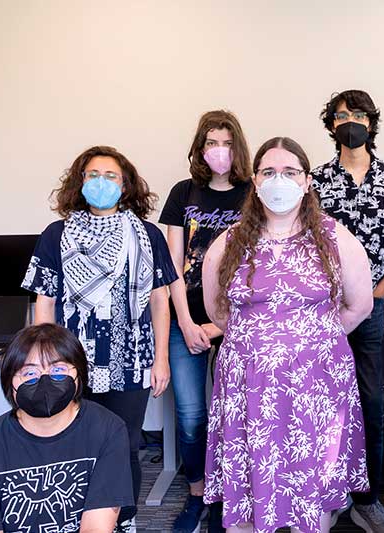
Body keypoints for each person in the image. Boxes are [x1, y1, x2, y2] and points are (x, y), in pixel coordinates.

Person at [202, 136, 373, 533]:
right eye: (269, 172)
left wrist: (309, 341)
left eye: (290, 172)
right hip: (248, 386)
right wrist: (263, 344)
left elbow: (359, 306)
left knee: (311, 499)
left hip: (317, 386)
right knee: (248, 495)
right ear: (255, 181)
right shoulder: (227, 244)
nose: (279, 180)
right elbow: (217, 310)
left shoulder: (336, 239)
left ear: (307, 181)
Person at [22, 145, 178, 532]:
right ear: (80, 181)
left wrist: (161, 358)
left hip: (131, 360)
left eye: (111, 176)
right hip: (71, 362)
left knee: (124, 447)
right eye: (93, 174)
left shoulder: (148, 235)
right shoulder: (56, 235)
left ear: (125, 186)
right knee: (71, 444)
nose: (101, 183)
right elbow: (46, 300)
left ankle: (123, 521)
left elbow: (161, 300)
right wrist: (45, 361)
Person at [311, 89, 384, 532]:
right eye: (341, 115)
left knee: (371, 400)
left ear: (371, 123)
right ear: (331, 125)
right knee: (320, 400)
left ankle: (368, 497)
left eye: (357, 114)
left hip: (372, 308)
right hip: (320, 308)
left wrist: (378, 292)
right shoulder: (314, 181)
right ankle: (323, 493)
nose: (349, 121)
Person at [158, 110, 252, 532]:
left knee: (238, 415)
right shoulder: (183, 193)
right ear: (199, 148)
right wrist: (186, 321)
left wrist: (220, 326)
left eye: (227, 143)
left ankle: (229, 497)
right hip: (187, 320)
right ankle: (197, 496)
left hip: (240, 321)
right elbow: (171, 265)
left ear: (239, 148)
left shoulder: (254, 193)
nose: (219, 151)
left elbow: (260, 266)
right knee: (193, 415)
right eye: (211, 143)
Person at [0, 324, 134, 533]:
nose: (44, 380)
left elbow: (96, 528)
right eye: (29, 373)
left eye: (58, 370)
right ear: (9, 383)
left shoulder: (107, 430)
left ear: (79, 374)